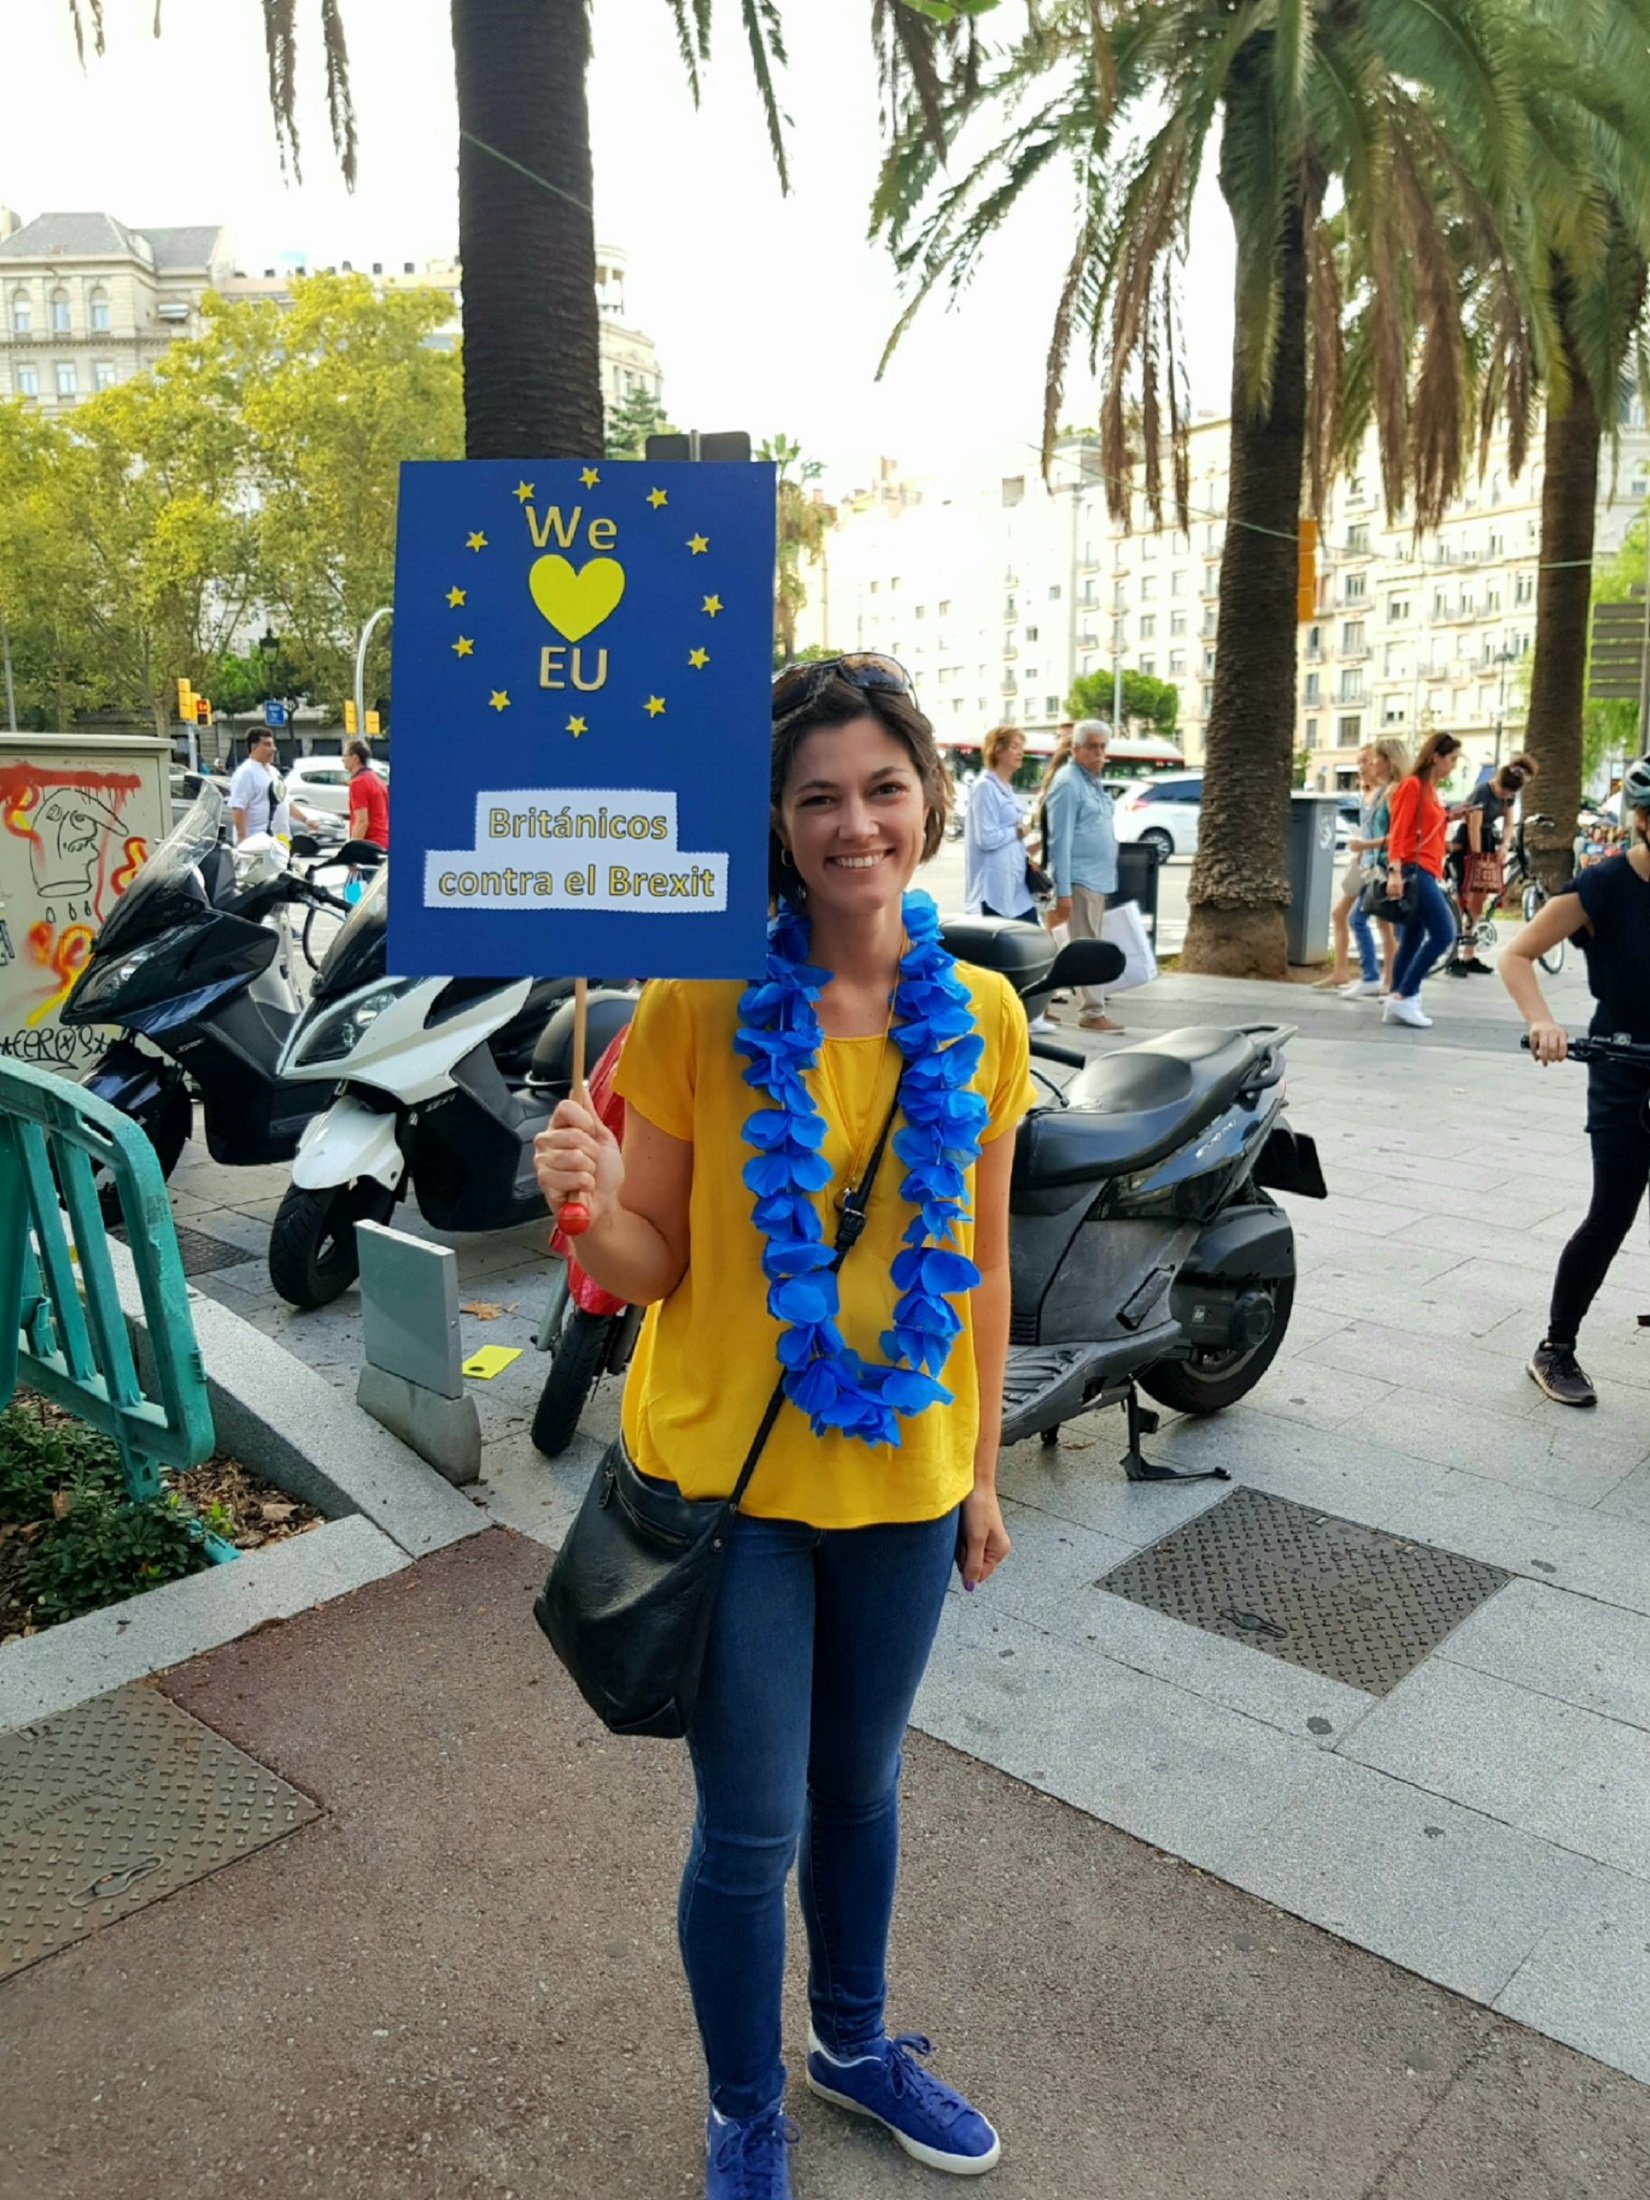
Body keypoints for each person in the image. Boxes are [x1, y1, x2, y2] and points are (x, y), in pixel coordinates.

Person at [534, 654, 1032, 2198]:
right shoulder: (696, 1001)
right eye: (816, 796)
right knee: (751, 1831)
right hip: (730, 1486)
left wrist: (980, 1470)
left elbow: (991, 1263)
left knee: (862, 1793)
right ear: (774, 821)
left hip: (900, 1473)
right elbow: (653, 1268)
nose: (854, 823)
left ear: (928, 801)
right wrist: (594, 1203)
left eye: (882, 787)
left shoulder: (991, 1012)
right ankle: (744, 2101)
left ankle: (853, 2044)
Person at [1500, 754, 1650, 1408]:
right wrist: (1543, 1023)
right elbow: (1516, 954)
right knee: (1613, 1211)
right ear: (1644, 820)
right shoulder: (1604, 888)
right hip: (1624, 1068)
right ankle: (1556, 1347)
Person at [1043, 718, 1123, 1032]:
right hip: (1078, 880)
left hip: (1095, 879)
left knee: (1068, 946)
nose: (1099, 753)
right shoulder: (1068, 783)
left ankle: (1040, 1005)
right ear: (1076, 750)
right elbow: (1060, 839)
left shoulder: (1091, 781)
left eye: (1103, 747)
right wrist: (1062, 891)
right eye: (1092, 747)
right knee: (1085, 947)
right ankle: (1092, 1012)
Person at [1382, 731, 1464, 1029]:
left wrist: (1450, 817)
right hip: (1414, 870)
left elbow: (1425, 828)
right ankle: (1405, 995)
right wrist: (1394, 873)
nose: (1453, 765)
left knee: (1414, 937)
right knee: (1444, 933)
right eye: (1451, 759)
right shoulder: (1413, 786)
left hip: (1426, 868)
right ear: (1435, 757)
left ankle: (1397, 998)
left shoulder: (1430, 790)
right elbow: (1399, 831)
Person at [1445, 753, 1537, 976]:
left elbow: (1508, 823)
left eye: (1509, 794)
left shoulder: (1508, 796)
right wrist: (1478, 859)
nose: (1504, 796)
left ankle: (1469, 953)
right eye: (1503, 792)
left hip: (1487, 841)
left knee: (1479, 898)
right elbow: (1473, 827)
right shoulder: (1482, 792)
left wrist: (1504, 845)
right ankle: (1452, 955)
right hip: (1468, 842)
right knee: (1463, 897)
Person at [1340, 735, 1410, 999]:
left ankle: (1391, 983)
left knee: (1384, 925)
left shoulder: (1393, 792)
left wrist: (1364, 846)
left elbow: (1398, 837)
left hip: (1384, 868)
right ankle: (1385, 981)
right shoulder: (1381, 791)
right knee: (1377, 923)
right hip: (1374, 867)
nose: (1370, 763)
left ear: (1389, 760)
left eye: (1375, 759)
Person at [1317, 746, 1379, 991]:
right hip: (1363, 862)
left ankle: (1377, 977)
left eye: (1365, 761)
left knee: (1371, 921)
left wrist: (1365, 847)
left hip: (1375, 864)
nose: (1361, 766)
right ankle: (1342, 972)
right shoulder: (1365, 793)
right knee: (1341, 915)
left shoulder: (1385, 794)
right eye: (1358, 761)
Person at [963, 725, 1035, 921]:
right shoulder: (984, 788)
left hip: (1016, 888)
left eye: (1021, 747)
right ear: (997, 750)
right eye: (1014, 746)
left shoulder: (1007, 789)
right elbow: (985, 838)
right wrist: (1016, 833)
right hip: (993, 892)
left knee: (1034, 943)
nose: (1020, 752)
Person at [227, 728, 289, 844]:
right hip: (257, 843)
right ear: (254, 747)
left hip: (279, 840)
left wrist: (305, 820)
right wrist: (242, 839)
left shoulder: (273, 771)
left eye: (273, 744)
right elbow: (238, 807)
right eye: (267, 745)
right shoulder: (246, 772)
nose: (273, 749)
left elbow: (284, 800)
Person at [344, 739, 390, 849]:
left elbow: (362, 821)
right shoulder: (375, 778)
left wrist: (352, 850)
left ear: (355, 758)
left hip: (370, 844)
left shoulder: (358, 783)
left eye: (345, 755)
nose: (343, 759)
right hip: (384, 841)